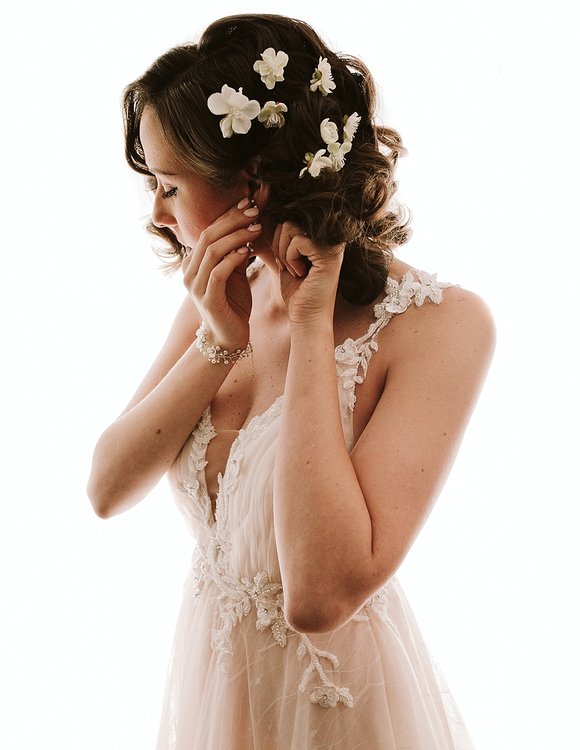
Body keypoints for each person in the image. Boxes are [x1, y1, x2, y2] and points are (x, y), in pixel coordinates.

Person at [87, 14, 492, 749]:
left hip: (336, 706)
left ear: (251, 184)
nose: (155, 211)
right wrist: (217, 343)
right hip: (217, 689)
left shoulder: (442, 325)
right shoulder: (220, 296)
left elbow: (319, 594)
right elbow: (107, 489)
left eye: (170, 185)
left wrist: (309, 327)